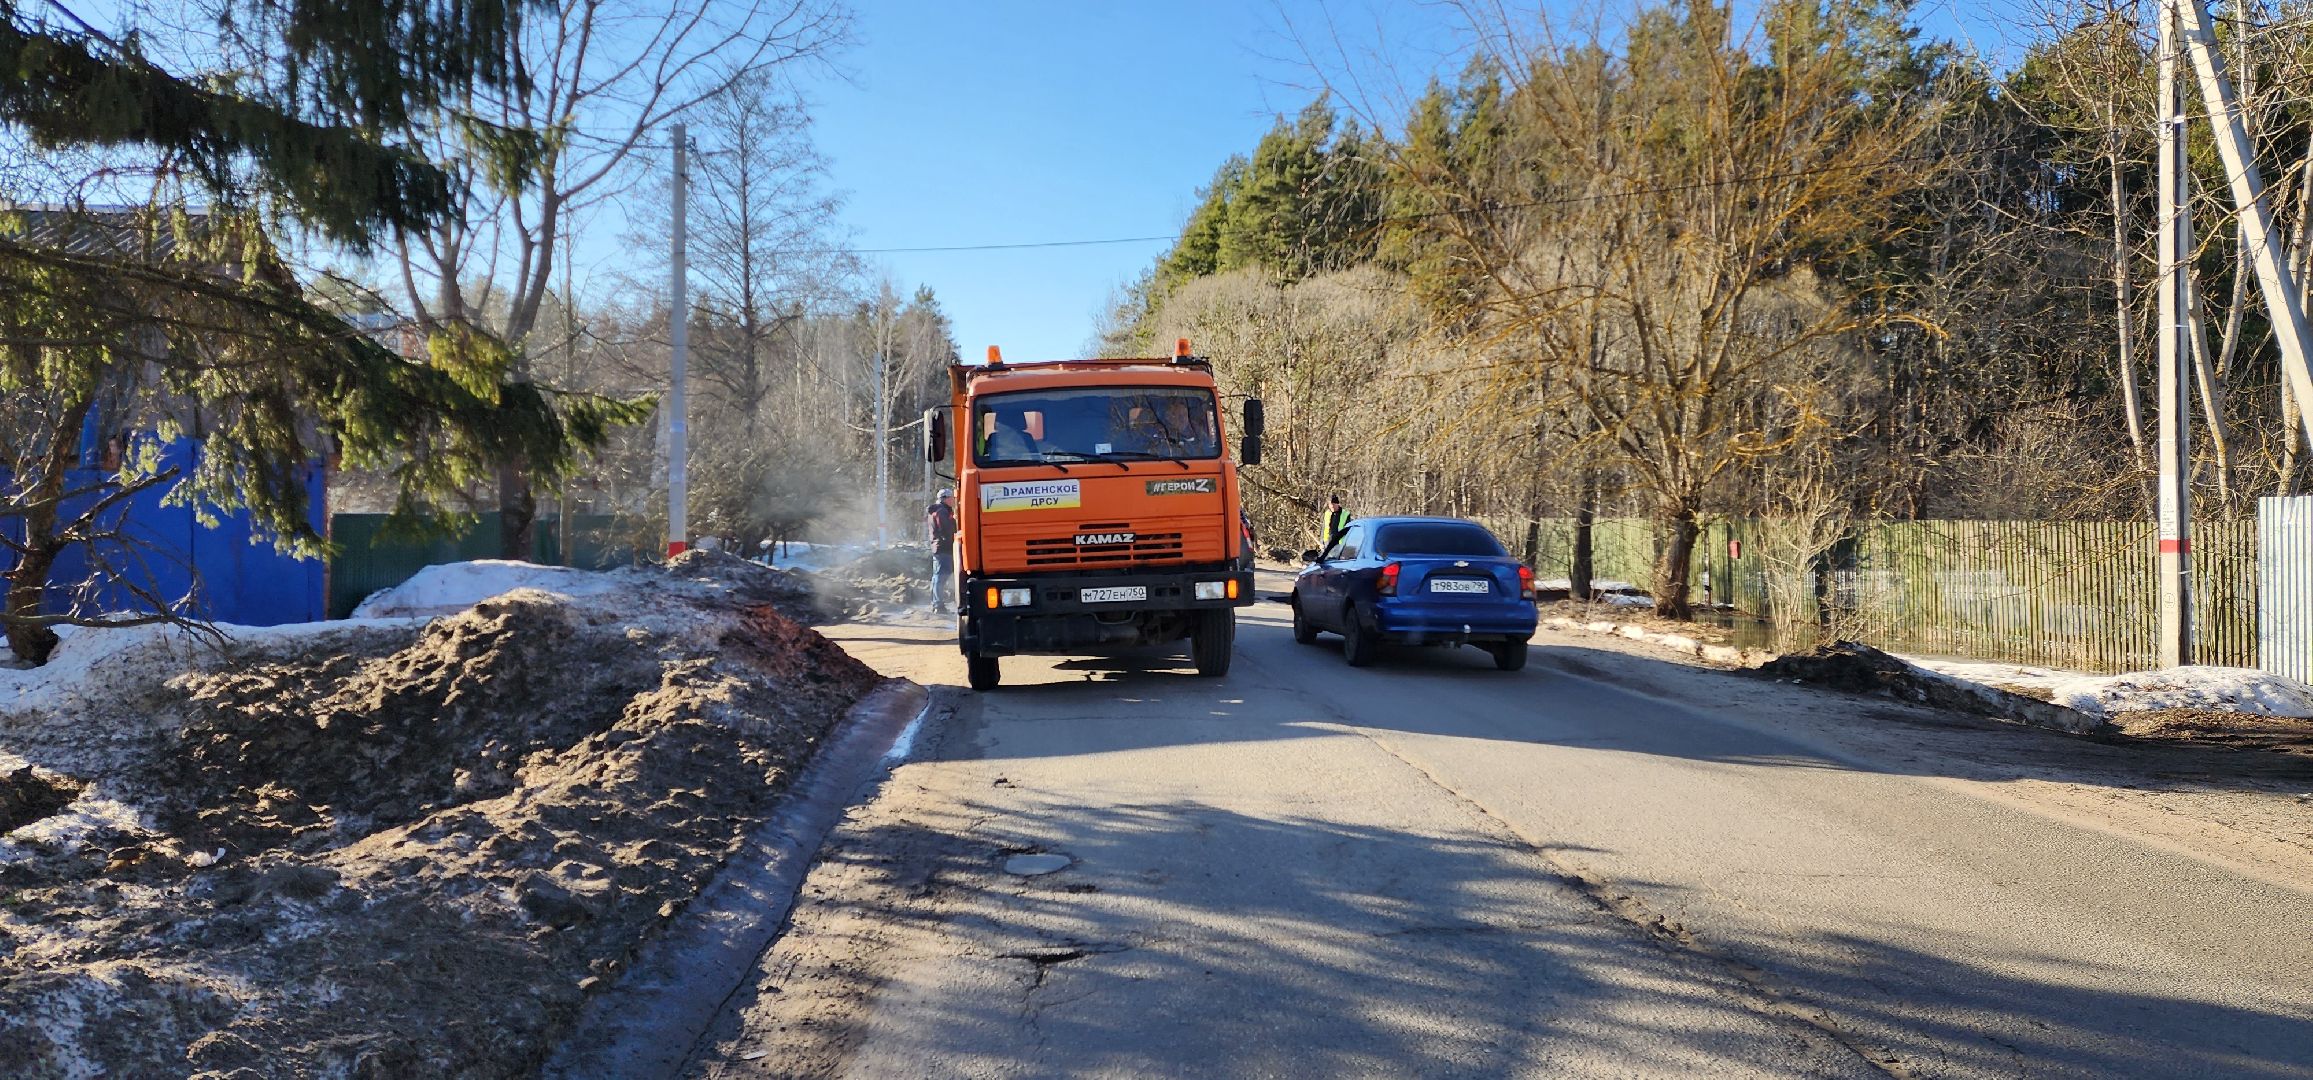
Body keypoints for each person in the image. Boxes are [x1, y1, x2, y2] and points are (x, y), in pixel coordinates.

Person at [927, 488, 958, 613]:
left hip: (938, 547)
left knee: (937, 576)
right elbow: (946, 529)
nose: (953, 501)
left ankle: (936, 603)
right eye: (951, 498)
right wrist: (954, 534)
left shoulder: (937, 511)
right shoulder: (941, 512)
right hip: (944, 548)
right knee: (941, 576)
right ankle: (938, 605)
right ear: (945, 498)